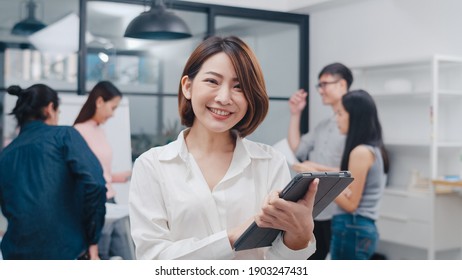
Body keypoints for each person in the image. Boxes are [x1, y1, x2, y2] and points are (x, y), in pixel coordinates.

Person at [129, 35, 319, 260]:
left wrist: (300, 235)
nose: (224, 97)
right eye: (212, 81)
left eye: (239, 87)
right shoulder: (151, 166)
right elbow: (152, 259)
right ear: (187, 87)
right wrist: (232, 237)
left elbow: (279, 264)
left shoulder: (269, 162)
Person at [0, 84, 106, 260]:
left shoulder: (5, 154)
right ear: (50, 108)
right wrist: (93, 240)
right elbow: (95, 184)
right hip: (65, 251)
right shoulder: (64, 136)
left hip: (15, 255)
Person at [287, 62, 353, 260]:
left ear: (342, 85)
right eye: (320, 85)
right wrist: (295, 113)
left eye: (324, 84)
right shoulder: (323, 125)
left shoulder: (355, 125)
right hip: (315, 208)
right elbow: (297, 149)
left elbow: (355, 171)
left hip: (338, 211)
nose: (320, 90)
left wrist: (314, 168)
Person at [74, 81, 133, 260]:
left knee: (126, 255)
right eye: (112, 107)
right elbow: (81, 176)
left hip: (111, 201)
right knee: (103, 256)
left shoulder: (100, 130)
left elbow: (100, 172)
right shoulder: (77, 132)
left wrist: (118, 177)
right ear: (99, 101)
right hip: (95, 204)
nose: (113, 114)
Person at [330, 89, 389, 260]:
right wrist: (317, 169)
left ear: (355, 116)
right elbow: (349, 178)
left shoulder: (360, 152)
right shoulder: (374, 148)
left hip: (351, 226)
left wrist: (320, 183)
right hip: (361, 228)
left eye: (340, 113)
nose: (337, 119)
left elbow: (350, 204)